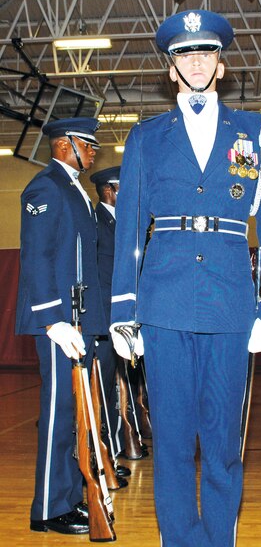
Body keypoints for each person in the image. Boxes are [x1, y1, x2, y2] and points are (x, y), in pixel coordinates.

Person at [109, 9, 261, 547]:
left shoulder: (256, 130)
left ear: (221, 63)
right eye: (185, 53)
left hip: (232, 304)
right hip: (163, 302)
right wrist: (123, 309)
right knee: (172, 440)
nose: (196, 61)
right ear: (171, 69)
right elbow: (129, 228)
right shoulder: (145, 137)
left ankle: (219, 539)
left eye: (205, 51)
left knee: (223, 442)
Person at [15, 117, 107, 535]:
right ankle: (48, 509)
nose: (93, 152)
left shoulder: (75, 191)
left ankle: (68, 497)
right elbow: (36, 257)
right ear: (64, 144)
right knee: (57, 415)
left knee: (74, 415)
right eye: (87, 145)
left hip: (78, 319)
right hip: (60, 322)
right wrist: (53, 319)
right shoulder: (46, 187)